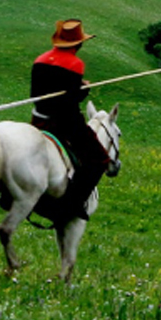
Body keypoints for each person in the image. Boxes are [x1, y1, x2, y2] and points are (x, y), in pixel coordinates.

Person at [30, 19, 110, 205]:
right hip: (65, 124)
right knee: (100, 159)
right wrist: (83, 91)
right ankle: (73, 205)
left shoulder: (40, 60)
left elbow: (36, 94)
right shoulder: (75, 64)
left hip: (38, 119)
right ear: (79, 43)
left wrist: (76, 87)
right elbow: (69, 103)